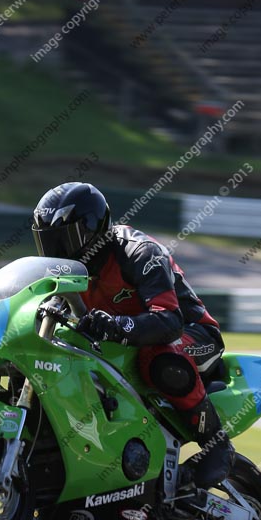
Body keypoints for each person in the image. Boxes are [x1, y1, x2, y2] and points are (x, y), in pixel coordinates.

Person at [31, 181, 235, 489]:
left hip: (193, 334)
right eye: (49, 244)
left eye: (65, 241)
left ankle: (216, 444)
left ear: (93, 230)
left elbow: (169, 322)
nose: (56, 253)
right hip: (127, 340)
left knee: (160, 357)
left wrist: (115, 326)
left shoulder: (139, 252)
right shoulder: (66, 270)